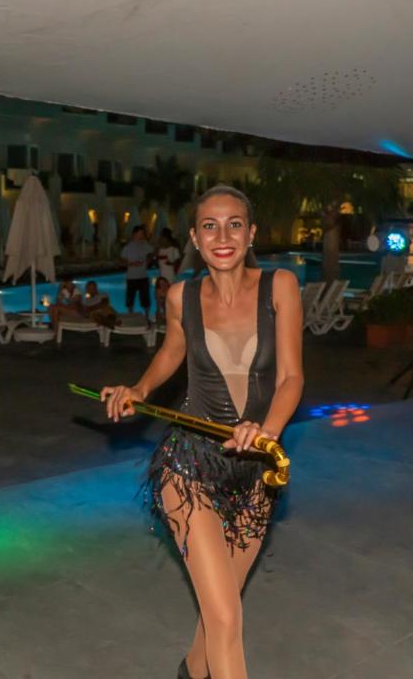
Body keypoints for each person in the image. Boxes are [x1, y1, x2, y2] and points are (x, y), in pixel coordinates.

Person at [99, 185, 303, 679]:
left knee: (221, 605)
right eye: (210, 226)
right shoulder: (181, 296)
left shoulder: (280, 287)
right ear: (194, 237)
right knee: (226, 618)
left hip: (257, 470)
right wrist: (140, 388)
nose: (223, 236)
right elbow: (173, 349)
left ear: (251, 234)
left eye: (234, 224)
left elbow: (291, 377)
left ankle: (191, 672)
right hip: (189, 466)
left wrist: (266, 431)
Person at [120, 225, 154, 319]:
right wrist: (131, 264)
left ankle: (147, 316)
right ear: (135, 234)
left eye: (143, 233)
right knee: (130, 299)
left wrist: (149, 260)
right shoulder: (128, 247)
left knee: (145, 299)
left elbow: (152, 252)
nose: (142, 235)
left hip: (143, 276)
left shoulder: (145, 244)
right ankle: (131, 316)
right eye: (141, 233)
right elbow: (121, 261)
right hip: (132, 277)